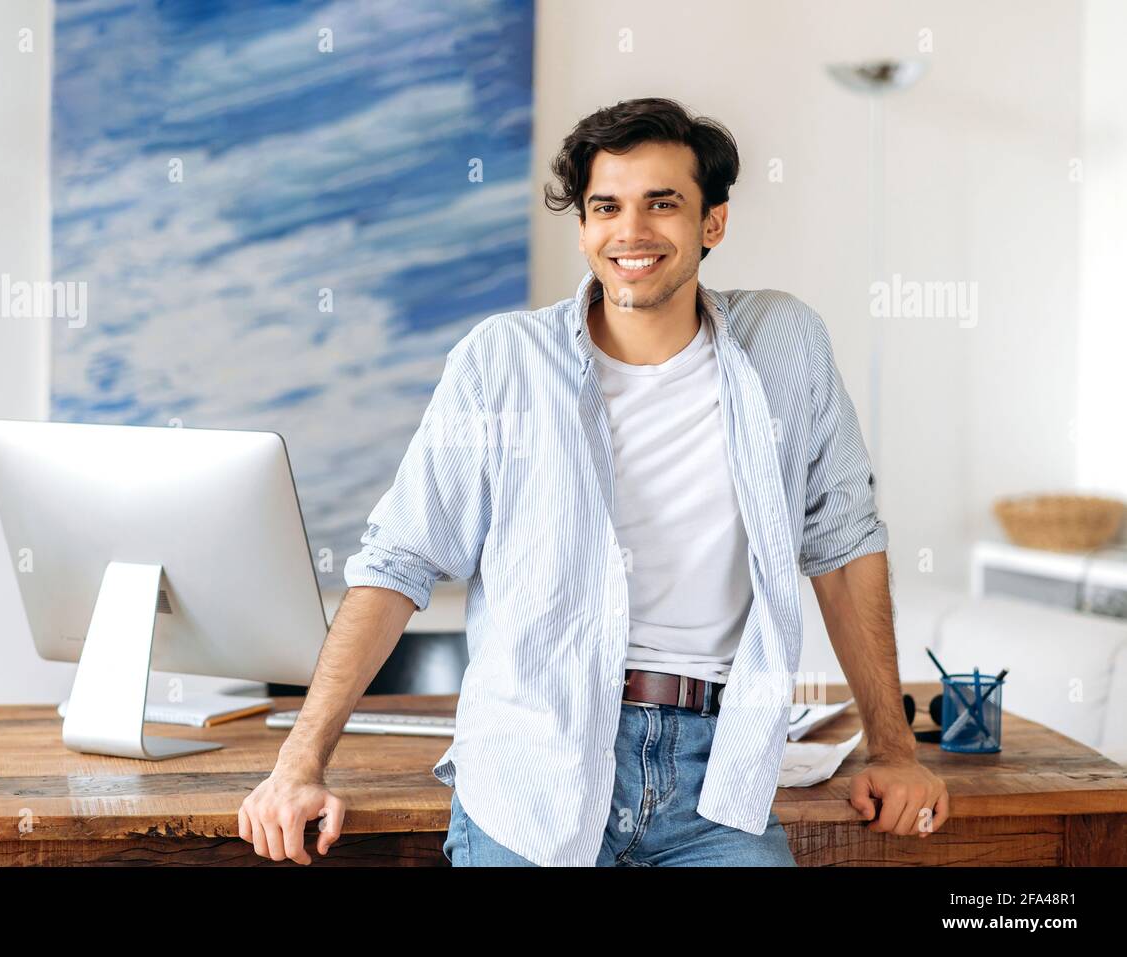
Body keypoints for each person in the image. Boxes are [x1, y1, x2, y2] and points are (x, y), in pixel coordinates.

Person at [237, 96, 949, 867]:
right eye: (605, 206)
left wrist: (893, 748)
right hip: (533, 762)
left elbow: (843, 546)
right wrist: (298, 763)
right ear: (583, 228)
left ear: (712, 223)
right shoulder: (500, 361)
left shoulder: (786, 343)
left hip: (719, 775)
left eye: (662, 203)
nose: (631, 231)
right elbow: (398, 563)